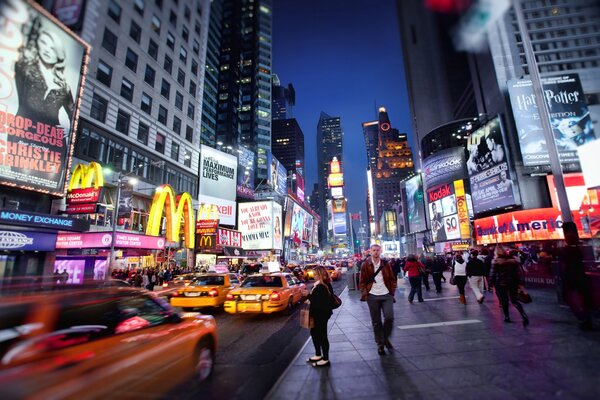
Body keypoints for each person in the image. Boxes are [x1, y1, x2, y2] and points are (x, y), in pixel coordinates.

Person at [15, 19, 74, 131]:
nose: (47, 50)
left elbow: (74, 116)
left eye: (53, 48)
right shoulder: (26, 69)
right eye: (43, 43)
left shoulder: (64, 87)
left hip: (52, 139)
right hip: (22, 132)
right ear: (37, 45)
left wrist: (68, 130)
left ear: (59, 54)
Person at [359, 244, 397, 355]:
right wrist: (365, 293)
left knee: (389, 317)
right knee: (376, 322)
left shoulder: (386, 264)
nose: (375, 252)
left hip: (386, 294)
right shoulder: (365, 264)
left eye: (377, 250)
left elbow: (392, 278)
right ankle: (380, 344)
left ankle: (385, 338)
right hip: (372, 295)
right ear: (370, 251)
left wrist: (392, 292)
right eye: (374, 250)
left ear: (380, 251)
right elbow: (362, 281)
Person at [490, 246, 529, 326]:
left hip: (502, 283)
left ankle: (507, 317)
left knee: (504, 301)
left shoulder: (496, 261)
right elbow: (518, 272)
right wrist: (520, 283)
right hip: (513, 282)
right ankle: (523, 315)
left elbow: (493, 274)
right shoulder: (513, 260)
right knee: (514, 300)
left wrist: (490, 284)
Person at [307, 266, 334, 367]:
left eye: (315, 274)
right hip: (318, 313)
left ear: (320, 275)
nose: (314, 276)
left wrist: (307, 295)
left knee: (322, 335)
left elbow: (319, 301)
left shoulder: (322, 286)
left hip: (321, 314)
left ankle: (325, 358)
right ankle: (318, 354)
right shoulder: (320, 285)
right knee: (314, 333)